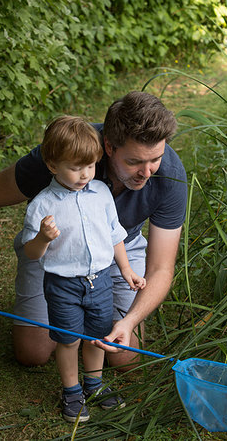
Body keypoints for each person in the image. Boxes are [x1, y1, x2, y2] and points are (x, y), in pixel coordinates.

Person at [0, 91, 187, 371]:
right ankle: (73, 320)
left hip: (119, 248)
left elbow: (160, 269)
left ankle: (88, 319)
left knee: (124, 358)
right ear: (108, 146)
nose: (147, 172)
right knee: (32, 353)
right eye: (134, 162)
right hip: (55, 249)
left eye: (155, 158)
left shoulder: (169, 174)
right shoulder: (68, 152)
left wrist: (129, 321)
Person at [22, 115, 145, 421]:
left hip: (100, 280)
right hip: (63, 284)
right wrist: (42, 237)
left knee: (98, 335)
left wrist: (126, 270)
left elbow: (115, 235)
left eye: (89, 166)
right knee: (68, 338)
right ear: (52, 165)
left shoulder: (101, 192)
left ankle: (94, 383)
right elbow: (31, 252)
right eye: (75, 168)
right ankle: (72, 392)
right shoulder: (43, 204)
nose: (84, 175)